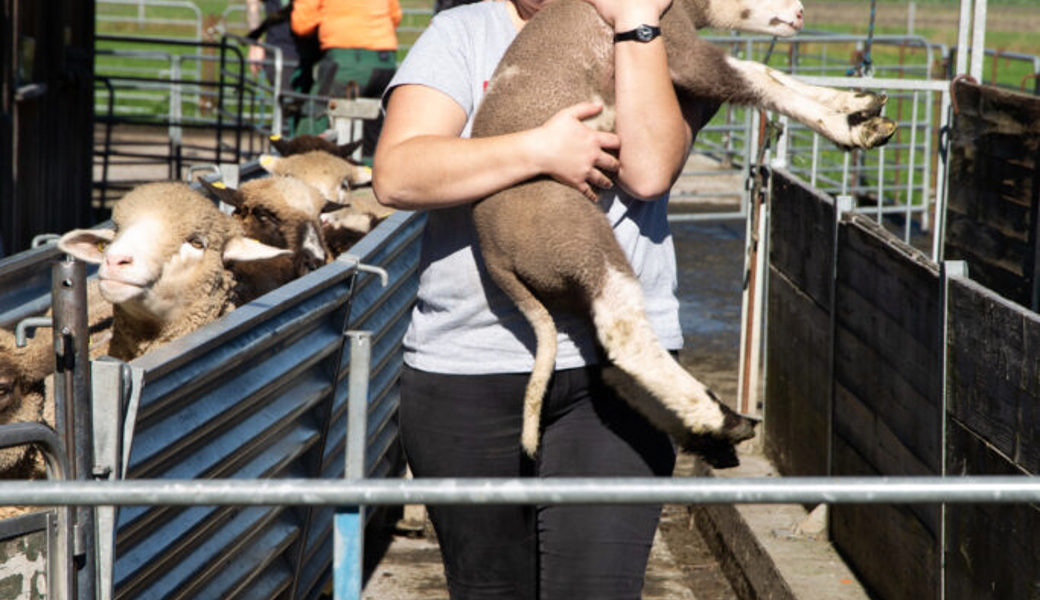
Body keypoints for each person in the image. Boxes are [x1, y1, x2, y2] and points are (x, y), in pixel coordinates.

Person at [373, 0, 715, 597]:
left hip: (622, 371)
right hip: (468, 366)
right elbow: (398, 173)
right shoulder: (465, 34)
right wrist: (536, 150)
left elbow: (649, 171)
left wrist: (636, 20)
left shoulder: (657, 30)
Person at [291, 0, 402, 161]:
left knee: (316, 112)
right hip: (385, 61)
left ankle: (302, 164)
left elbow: (301, 23)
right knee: (376, 124)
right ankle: (372, 168)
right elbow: (395, 16)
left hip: (345, 59)